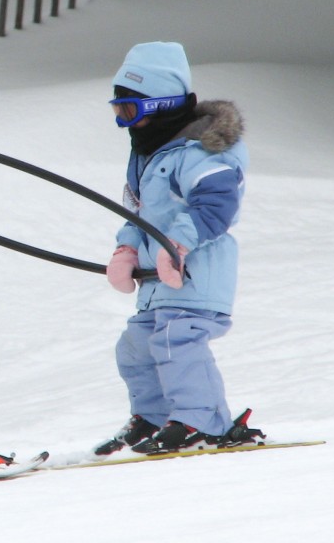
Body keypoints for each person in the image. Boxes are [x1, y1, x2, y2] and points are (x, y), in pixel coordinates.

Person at [93, 41, 262, 456]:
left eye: (129, 112)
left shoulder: (203, 151)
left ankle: (203, 422)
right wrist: (127, 251)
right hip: (157, 279)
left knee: (177, 341)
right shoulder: (146, 153)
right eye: (118, 111)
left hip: (196, 272)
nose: (123, 123)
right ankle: (153, 417)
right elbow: (136, 210)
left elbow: (217, 204)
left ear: (161, 106)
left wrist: (177, 244)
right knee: (135, 346)